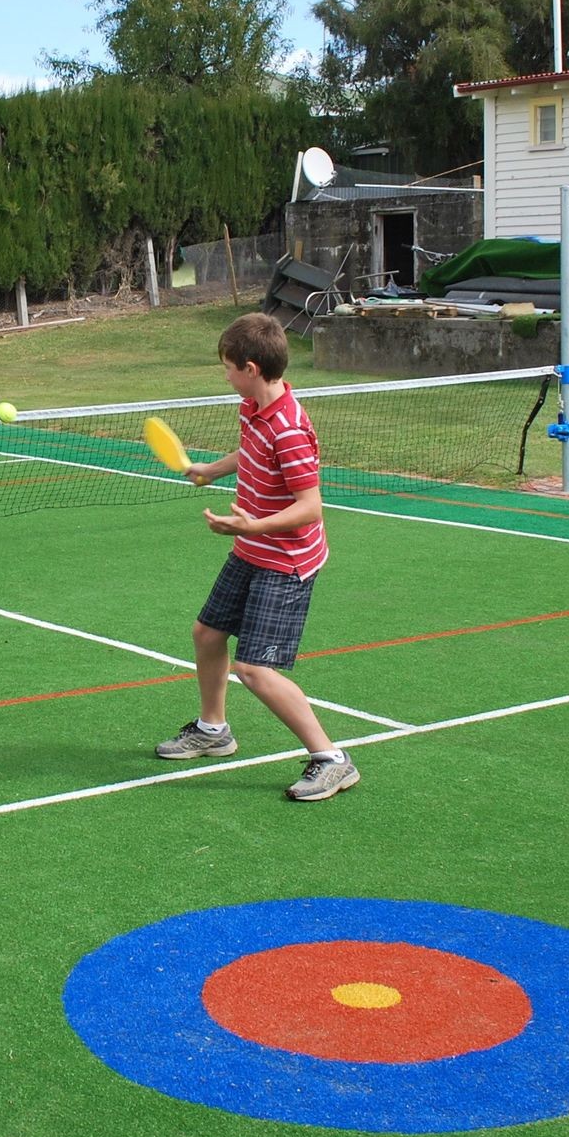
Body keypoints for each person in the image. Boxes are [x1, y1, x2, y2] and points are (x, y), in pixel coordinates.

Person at [155, 311, 360, 802]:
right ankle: (213, 730)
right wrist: (211, 470)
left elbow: (311, 507)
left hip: (285, 560)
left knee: (254, 669)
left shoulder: (289, 428)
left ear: (249, 367)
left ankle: (332, 759)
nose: (224, 375)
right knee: (207, 633)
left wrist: (251, 525)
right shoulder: (255, 407)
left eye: (227, 367)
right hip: (252, 548)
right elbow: (250, 452)